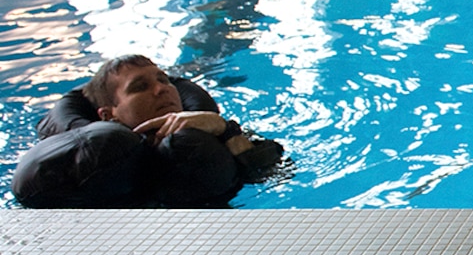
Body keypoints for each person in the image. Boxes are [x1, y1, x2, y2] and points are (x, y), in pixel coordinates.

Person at [12, 55, 284, 208]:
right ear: (109, 114)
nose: (161, 89)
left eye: (163, 80)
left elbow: (278, 174)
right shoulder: (97, 160)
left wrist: (223, 129)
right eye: (139, 87)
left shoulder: (211, 131)